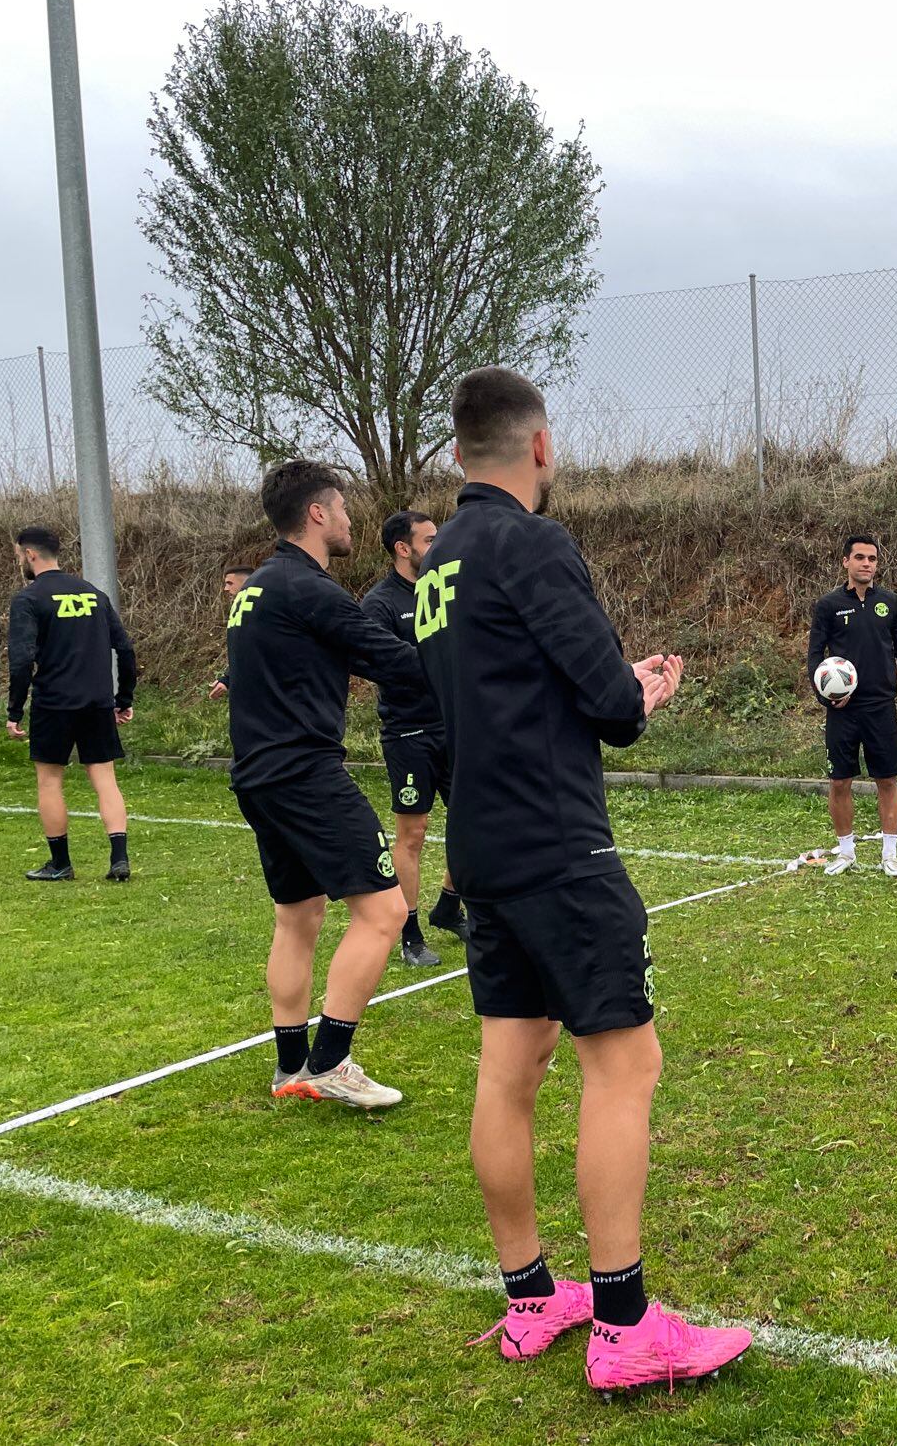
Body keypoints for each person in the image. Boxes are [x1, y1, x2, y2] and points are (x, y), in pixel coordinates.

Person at [422, 366, 748, 1392]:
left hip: (480, 848)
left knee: (506, 1075)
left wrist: (608, 693)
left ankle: (532, 1297)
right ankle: (622, 1323)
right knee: (624, 1066)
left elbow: (504, 694)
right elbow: (606, 705)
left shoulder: (438, 565)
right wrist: (638, 689)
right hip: (557, 846)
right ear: (541, 447)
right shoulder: (530, 540)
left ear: (457, 453)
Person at [227, 460, 427, 1111]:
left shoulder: (258, 587)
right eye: (341, 508)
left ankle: (290, 1069)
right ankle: (331, 1059)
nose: (348, 520)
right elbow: (392, 661)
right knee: (385, 911)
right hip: (303, 772)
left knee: (299, 915)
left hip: (258, 774)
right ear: (316, 513)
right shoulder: (307, 587)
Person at [360, 510, 464, 968]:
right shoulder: (380, 603)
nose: (437, 545)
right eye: (429, 539)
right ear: (404, 548)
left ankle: (448, 906)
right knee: (413, 833)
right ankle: (410, 933)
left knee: (476, 820)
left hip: (455, 725)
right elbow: (372, 661)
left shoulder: (442, 588)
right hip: (408, 733)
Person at [6, 526, 137, 882]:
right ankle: (119, 859)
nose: (20, 561)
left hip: (54, 702)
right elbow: (124, 649)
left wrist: (14, 710)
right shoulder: (93, 593)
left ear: (30, 554)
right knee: (105, 778)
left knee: (50, 781)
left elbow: (21, 661)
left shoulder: (29, 598)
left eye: (19, 555)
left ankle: (60, 863)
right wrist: (123, 698)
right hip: (97, 701)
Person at [806, 535, 897, 877]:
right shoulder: (828, 605)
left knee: (886, 780)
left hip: (881, 708)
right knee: (839, 782)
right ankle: (846, 853)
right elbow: (815, 657)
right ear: (846, 561)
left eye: (872, 558)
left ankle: (890, 855)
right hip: (842, 711)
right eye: (859, 557)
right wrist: (824, 696)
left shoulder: (891, 603)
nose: (867, 563)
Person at [207, 566, 254, 700]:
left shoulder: (263, 606)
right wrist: (227, 679)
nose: (226, 589)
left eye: (230, 583)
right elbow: (242, 649)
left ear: (246, 582)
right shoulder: (239, 607)